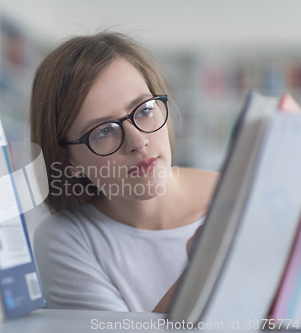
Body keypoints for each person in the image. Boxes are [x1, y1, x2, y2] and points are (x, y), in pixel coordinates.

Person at [29, 32, 219, 313]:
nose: (138, 141)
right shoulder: (68, 239)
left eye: (144, 110)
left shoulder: (246, 193)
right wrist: (200, 274)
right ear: (67, 159)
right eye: (103, 130)